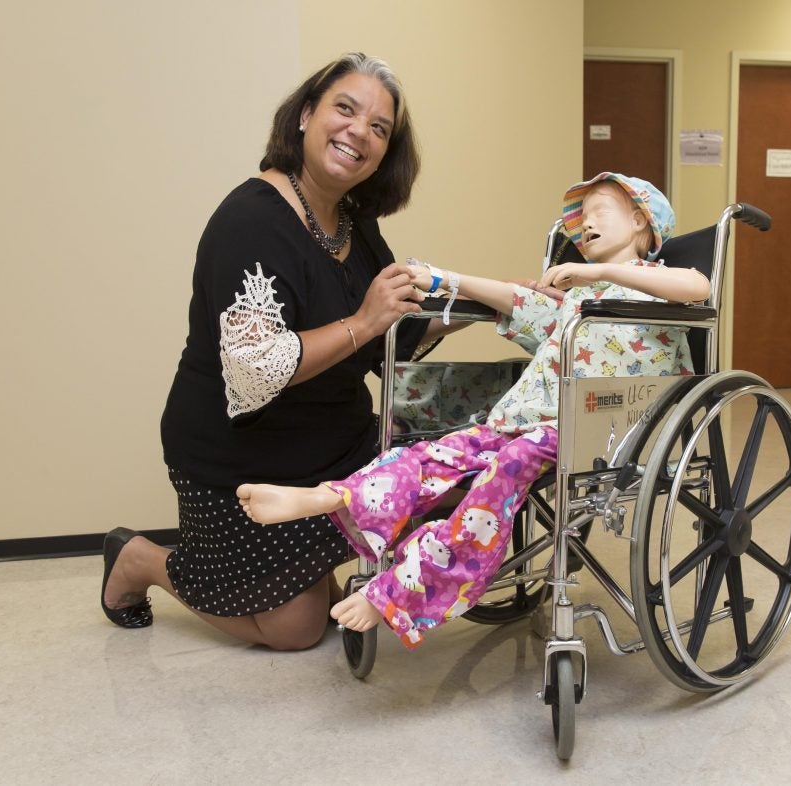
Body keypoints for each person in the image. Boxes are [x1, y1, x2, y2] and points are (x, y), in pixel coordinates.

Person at [236, 173, 711, 649]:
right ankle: (328, 497)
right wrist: (444, 279)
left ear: (640, 222)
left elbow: (699, 287)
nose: (585, 224)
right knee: (437, 451)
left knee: (506, 466)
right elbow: (515, 300)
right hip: (528, 424)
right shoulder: (575, 304)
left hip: (609, 430)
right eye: (581, 218)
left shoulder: (658, 291)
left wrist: (598, 273)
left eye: (599, 212)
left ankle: (394, 593)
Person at [99, 53, 434, 651]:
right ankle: (142, 559)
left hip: (333, 447)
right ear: (306, 116)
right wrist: (362, 320)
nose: (360, 131)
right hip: (239, 457)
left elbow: (391, 337)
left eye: (379, 128)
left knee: (440, 489)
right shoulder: (250, 219)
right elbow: (257, 371)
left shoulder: (355, 223)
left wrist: (476, 307)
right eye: (345, 109)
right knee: (299, 631)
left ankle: (300, 576)